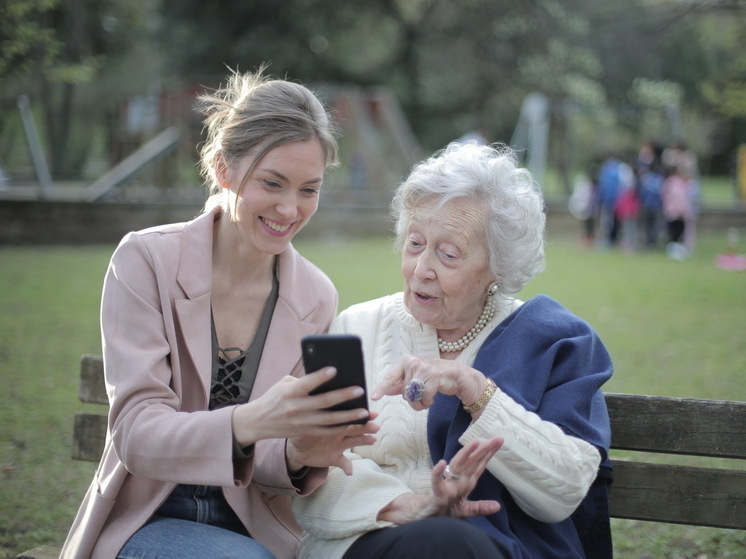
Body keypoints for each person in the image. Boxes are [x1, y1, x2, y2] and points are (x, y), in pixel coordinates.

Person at [60, 68, 379, 559]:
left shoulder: (315, 294)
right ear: (222, 168)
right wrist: (249, 421)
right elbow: (136, 434)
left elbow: (271, 456)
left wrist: (298, 452)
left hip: (258, 530)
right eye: (272, 183)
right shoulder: (145, 260)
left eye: (309, 189)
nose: (290, 209)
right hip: (148, 518)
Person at [292, 142, 614, 559]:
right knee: (445, 543)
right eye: (414, 243)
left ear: (498, 267)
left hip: (496, 548)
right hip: (365, 542)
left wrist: (476, 391)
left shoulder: (554, 342)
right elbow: (311, 465)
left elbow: (566, 490)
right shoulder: (356, 328)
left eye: (448, 254)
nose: (421, 268)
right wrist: (407, 506)